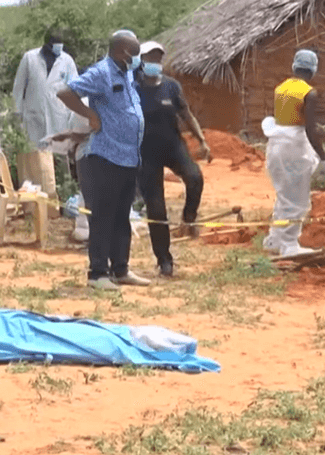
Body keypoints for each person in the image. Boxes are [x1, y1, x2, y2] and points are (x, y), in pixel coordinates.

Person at [57, 30, 150, 290]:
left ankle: (121, 268)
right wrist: (90, 115)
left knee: (122, 216)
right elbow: (66, 92)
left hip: (129, 156)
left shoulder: (128, 72)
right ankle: (97, 273)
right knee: (103, 216)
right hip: (106, 155)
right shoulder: (101, 73)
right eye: (135, 52)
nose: (138, 58)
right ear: (122, 52)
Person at [135, 41, 211, 277]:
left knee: (194, 177)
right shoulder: (133, 87)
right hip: (145, 153)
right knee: (156, 210)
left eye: (158, 58)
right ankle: (164, 260)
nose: (154, 63)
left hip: (173, 146)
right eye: (149, 58)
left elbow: (186, 114)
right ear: (141, 60)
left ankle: (189, 218)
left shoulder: (172, 87)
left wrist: (202, 140)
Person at [261, 49, 325, 258]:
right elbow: (310, 129)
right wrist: (323, 158)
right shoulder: (309, 93)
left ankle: (275, 238)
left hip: (275, 145)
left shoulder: (280, 89)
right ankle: (289, 244)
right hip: (294, 148)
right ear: (313, 69)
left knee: (284, 195)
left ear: (294, 66)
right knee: (298, 199)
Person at [13, 29, 79, 145]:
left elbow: (75, 91)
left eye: (61, 44)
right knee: (36, 158)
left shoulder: (67, 61)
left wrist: (73, 119)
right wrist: (17, 114)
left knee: (59, 158)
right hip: (34, 118)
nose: (59, 48)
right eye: (56, 44)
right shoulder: (29, 58)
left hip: (59, 119)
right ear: (47, 44)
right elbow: (18, 87)